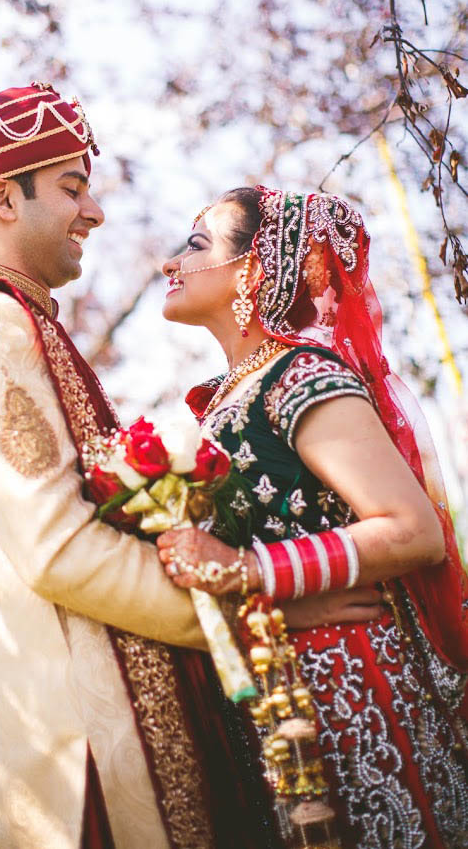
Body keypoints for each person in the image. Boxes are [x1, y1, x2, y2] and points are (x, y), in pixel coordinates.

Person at [0, 87, 387, 849]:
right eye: (72, 189)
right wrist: (253, 615)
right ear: (2, 200)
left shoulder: (8, 321)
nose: (95, 214)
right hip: (77, 761)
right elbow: (59, 551)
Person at [157, 185, 468, 849]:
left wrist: (247, 569)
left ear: (252, 268)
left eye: (195, 244)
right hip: (279, 696)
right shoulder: (229, 399)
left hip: (358, 687)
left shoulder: (299, 377)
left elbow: (412, 530)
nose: (169, 263)